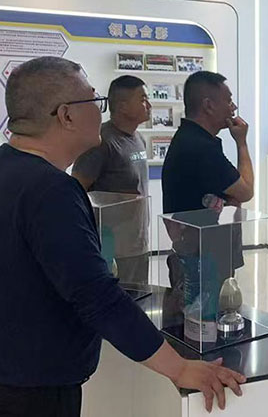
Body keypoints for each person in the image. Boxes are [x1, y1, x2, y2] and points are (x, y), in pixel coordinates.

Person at [0, 57, 245, 417]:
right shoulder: (51, 190)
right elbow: (96, 296)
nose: (102, 110)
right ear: (66, 115)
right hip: (35, 387)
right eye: (94, 101)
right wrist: (179, 368)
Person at [162, 71, 254, 290]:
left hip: (204, 248)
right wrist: (242, 143)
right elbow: (246, 191)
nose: (233, 108)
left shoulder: (192, 138)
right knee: (206, 307)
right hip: (202, 254)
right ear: (208, 105)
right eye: (229, 101)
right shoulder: (200, 147)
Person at [72, 75, 151, 284]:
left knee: (139, 297)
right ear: (123, 106)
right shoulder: (102, 141)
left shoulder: (139, 139)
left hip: (138, 243)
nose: (149, 105)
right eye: (142, 99)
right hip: (111, 248)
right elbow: (76, 188)